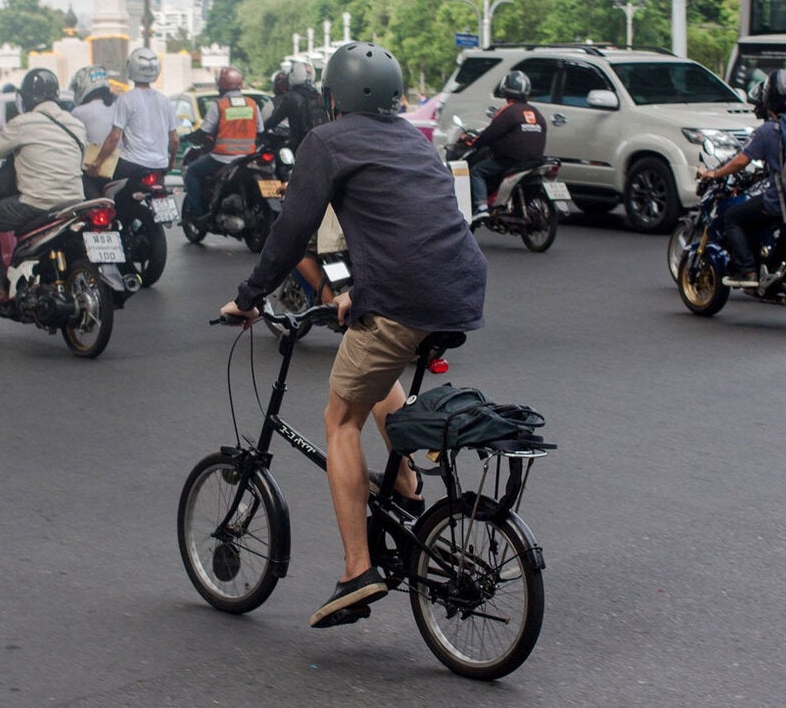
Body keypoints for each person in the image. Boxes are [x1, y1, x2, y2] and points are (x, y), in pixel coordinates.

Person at [219, 41, 487, 629]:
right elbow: (408, 225)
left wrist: (247, 297)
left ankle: (358, 569)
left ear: (334, 97)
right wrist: (357, 294)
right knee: (369, 354)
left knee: (340, 421)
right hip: (458, 289)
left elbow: (292, 231)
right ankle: (408, 484)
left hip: (404, 297)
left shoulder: (327, 141)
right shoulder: (413, 140)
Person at [0, 68, 86, 307]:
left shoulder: (23, 123)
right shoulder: (75, 124)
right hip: (74, 203)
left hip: (37, 204)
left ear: (27, 98)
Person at [696, 67, 786, 287]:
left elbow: (740, 161)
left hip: (783, 198)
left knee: (732, 216)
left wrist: (713, 173)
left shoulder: (768, 130)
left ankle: (747, 270)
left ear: (769, 99)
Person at [89, 48, 177, 194]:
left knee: (99, 183)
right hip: (160, 165)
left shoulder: (126, 99)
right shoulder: (165, 101)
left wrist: (97, 163)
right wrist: (172, 160)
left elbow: (114, 137)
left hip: (131, 165)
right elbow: (174, 139)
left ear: (131, 67)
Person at [180, 66, 262, 221]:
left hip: (223, 158)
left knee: (192, 172)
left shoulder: (220, 105)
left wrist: (187, 137)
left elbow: (204, 132)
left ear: (221, 86)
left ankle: (196, 213)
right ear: (239, 84)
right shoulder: (252, 104)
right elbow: (260, 129)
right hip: (248, 158)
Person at [465, 69, 546, 221]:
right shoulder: (535, 112)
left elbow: (491, 133)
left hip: (512, 160)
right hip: (535, 159)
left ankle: (482, 207)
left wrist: (474, 142)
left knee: (477, 171)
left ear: (505, 89)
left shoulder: (508, 111)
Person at [67, 65, 119, 198]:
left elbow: (72, 146)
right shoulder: (118, 107)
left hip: (96, 171)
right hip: (123, 169)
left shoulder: (78, 112)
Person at [263, 61, 327, 152]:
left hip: (300, 143)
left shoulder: (291, 97)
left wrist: (263, 129)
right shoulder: (318, 95)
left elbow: (275, 119)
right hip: (319, 142)